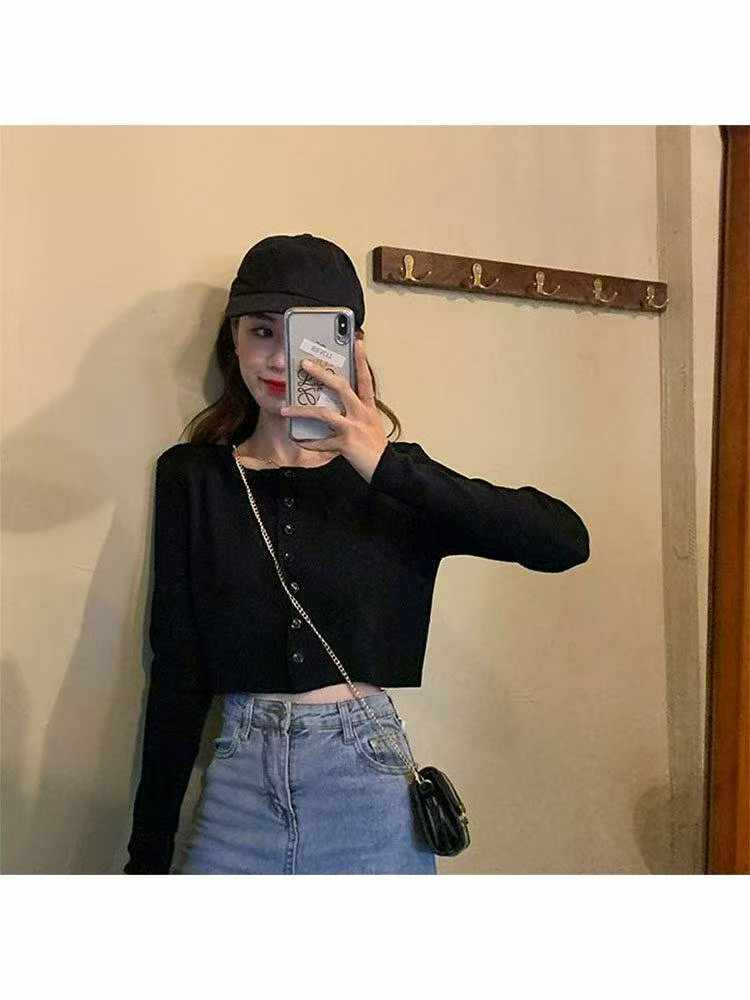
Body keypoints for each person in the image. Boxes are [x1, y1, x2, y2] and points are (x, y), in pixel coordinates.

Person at [124, 233, 590, 875]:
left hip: (364, 784)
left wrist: (384, 465)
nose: (279, 357)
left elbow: (563, 541)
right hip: (236, 790)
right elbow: (178, 669)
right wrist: (146, 858)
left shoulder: (396, 482)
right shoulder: (193, 477)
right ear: (233, 341)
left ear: (352, 348)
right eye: (261, 331)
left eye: (305, 336)